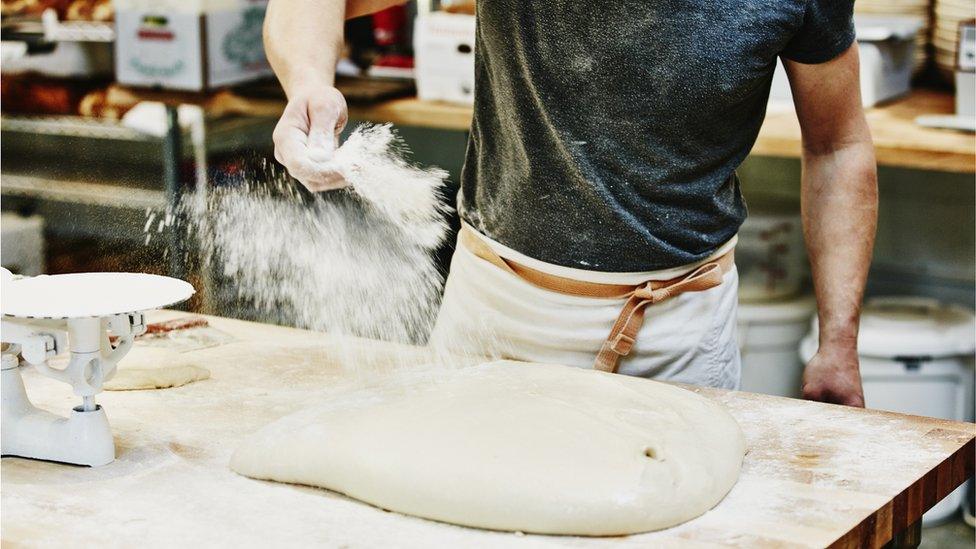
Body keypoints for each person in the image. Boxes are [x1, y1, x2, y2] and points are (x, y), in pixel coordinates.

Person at [264, 0, 877, 406]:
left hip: (674, 334)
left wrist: (839, 344)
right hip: (494, 315)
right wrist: (310, 83)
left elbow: (838, 144)